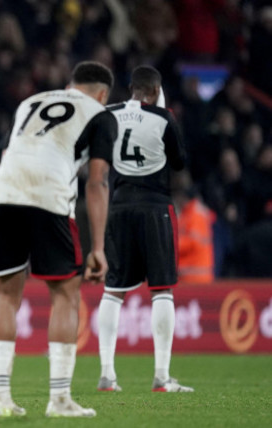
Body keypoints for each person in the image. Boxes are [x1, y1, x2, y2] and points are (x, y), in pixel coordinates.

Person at [0, 61, 118, 418]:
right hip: (49, 195)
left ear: (70, 84)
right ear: (103, 94)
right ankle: (59, 400)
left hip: (3, 195)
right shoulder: (102, 114)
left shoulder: (30, 101)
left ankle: (0, 398)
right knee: (65, 294)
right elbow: (96, 182)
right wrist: (98, 250)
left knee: (6, 295)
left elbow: (6, 155)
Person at [97, 65, 193, 393]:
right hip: (155, 207)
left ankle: (107, 375)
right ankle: (162, 377)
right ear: (155, 91)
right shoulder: (164, 118)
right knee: (161, 289)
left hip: (120, 205)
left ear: (130, 88)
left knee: (114, 290)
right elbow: (180, 162)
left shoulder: (109, 114)